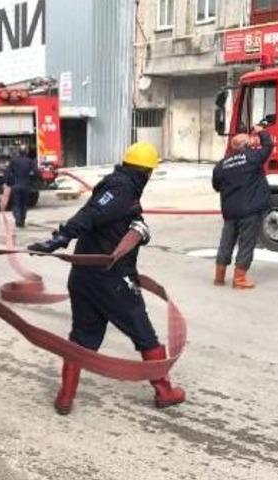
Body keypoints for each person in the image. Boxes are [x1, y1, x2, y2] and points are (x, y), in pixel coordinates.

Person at [28, 142, 185, 415]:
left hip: (83, 279)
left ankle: (65, 398)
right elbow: (90, 215)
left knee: (81, 339)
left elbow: (105, 218)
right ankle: (164, 392)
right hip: (112, 282)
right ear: (145, 173)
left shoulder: (117, 185)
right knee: (146, 338)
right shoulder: (122, 189)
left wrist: (139, 228)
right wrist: (59, 239)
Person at [212, 125, 274, 289]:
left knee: (226, 243)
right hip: (250, 211)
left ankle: (219, 277)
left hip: (230, 212)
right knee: (246, 244)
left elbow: (216, 186)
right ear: (247, 146)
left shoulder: (221, 165)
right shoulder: (252, 157)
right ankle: (239, 280)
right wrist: (260, 131)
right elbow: (269, 145)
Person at [2, 144, 38, 227]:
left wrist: (6, 182)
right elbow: (36, 172)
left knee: (16, 203)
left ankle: (18, 219)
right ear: (26, 152)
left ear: (19, 152)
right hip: (26, 186)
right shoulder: (30, 161)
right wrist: (35, 181)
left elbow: (8, 172)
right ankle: (22, 220)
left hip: (16, 185)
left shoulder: (14, 161)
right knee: (24, 204)